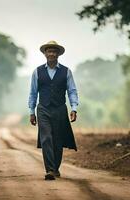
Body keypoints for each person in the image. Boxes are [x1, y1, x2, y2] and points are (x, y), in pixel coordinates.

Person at [28, 40, 79, 180]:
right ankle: (50, 169)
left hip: (60, 109)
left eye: (54, 51)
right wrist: (32, 112)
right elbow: (33, 93)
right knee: (46, 138)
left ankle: (55, 168)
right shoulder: (37, 72)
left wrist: (74, 108)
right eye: (49, 51)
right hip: (43, 109)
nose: (51, 54)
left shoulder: (66, 71)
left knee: (57, 140)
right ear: (45, 54)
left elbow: (72, 91)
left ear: (58, 54)